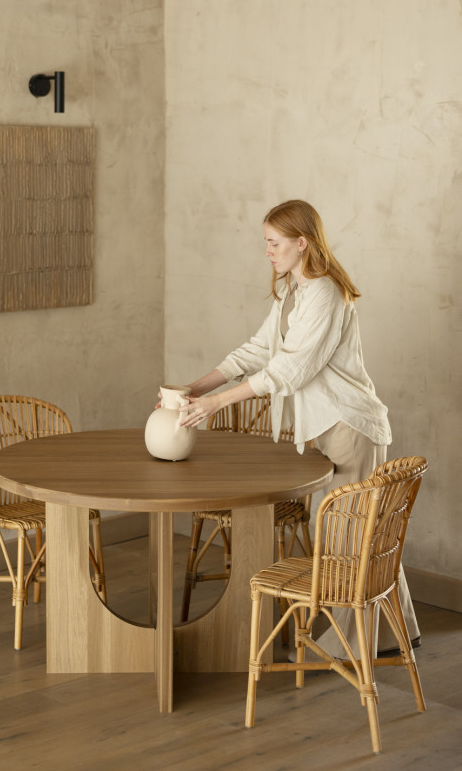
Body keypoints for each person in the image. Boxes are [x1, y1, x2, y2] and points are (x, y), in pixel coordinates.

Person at [179, 199, 419, 657]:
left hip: (350, 425)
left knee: (347, 540)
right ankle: (396, 632)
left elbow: (289, 371)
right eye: (265, 243)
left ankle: (347, 645)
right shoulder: (294, 288)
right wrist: (196, 386)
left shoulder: (325, 293)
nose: (267, 252)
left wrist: (217, 402)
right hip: (328, 427)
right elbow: (257, 351)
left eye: (274, 243)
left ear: (301, 243)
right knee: (363, 533)